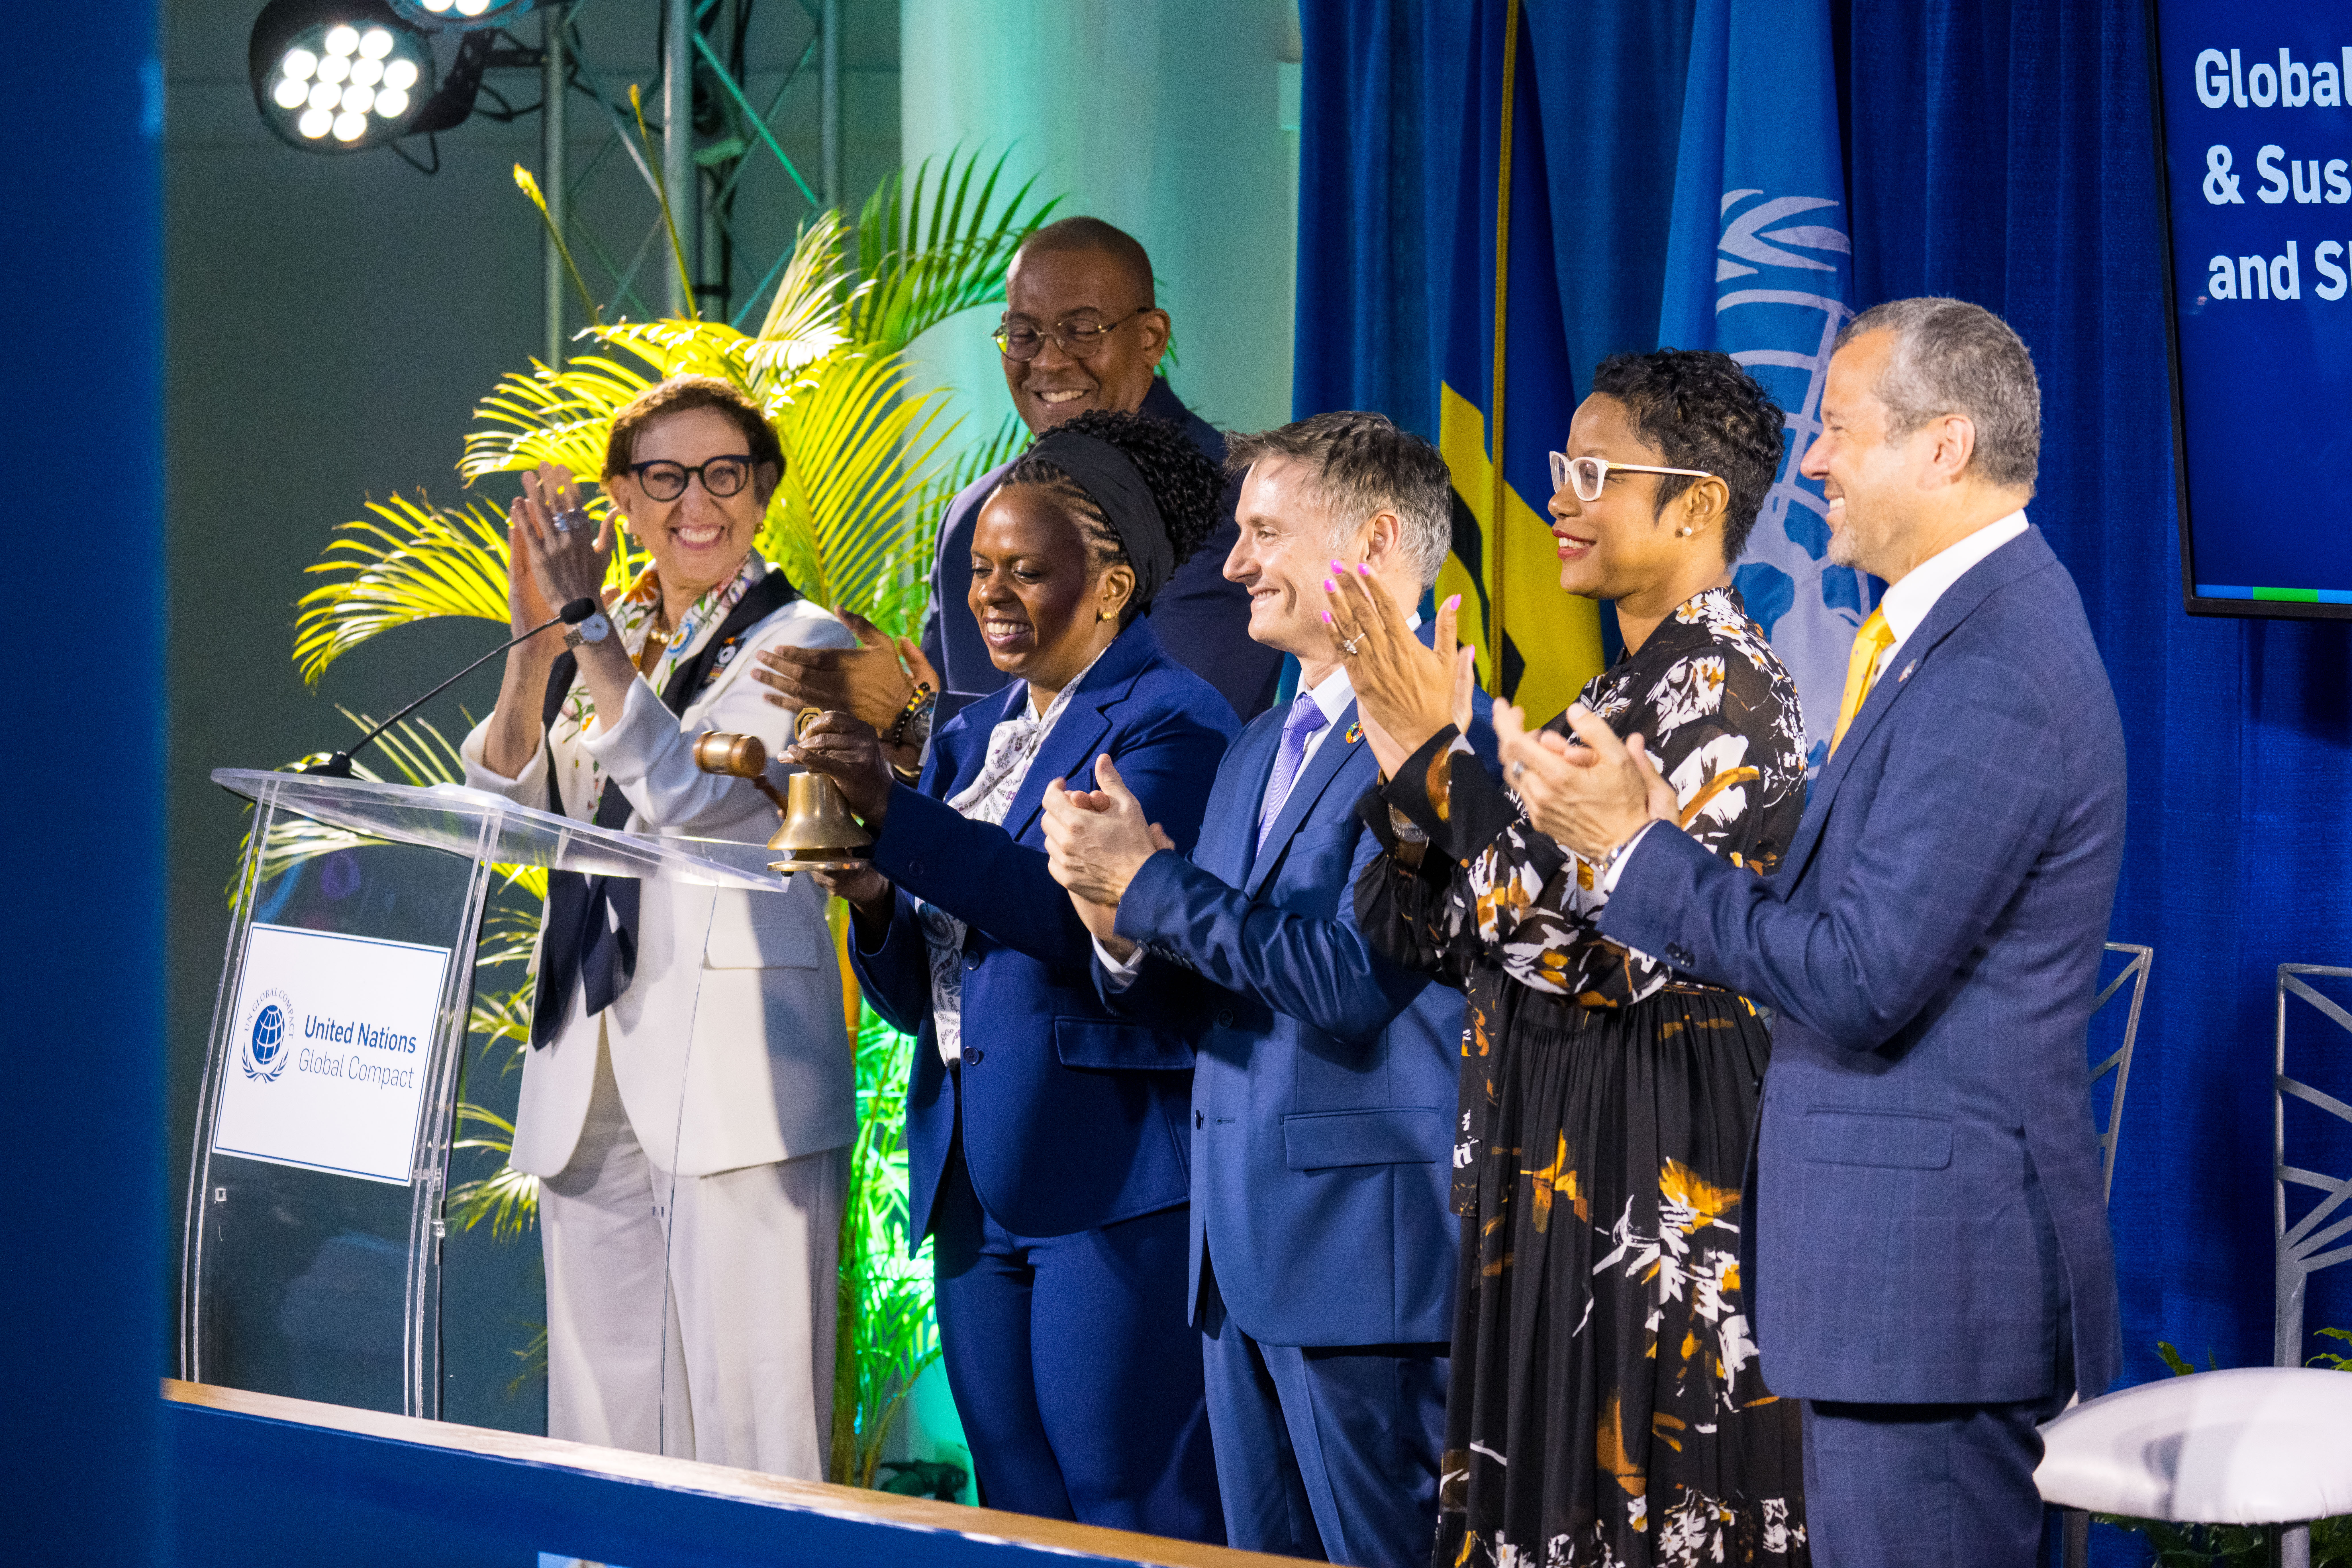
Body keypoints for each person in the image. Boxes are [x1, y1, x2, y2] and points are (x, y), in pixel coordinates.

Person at [1516, 300, 2125, 1568]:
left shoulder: (1995, 665)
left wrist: (1635, 852)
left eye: (1841, 429)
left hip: (1929, 1293)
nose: (1813, 462)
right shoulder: (1943, 636)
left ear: (1943, 446)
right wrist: (1656, 838)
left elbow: (1857, 975)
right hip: (1891, 1287)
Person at [1327, 350, 1812, 1567]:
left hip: (1652, 1148)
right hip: (1553, 1145)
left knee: (1639, 1499)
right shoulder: (1616, 689)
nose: (1559, 497)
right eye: (1561, 467)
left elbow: (1590, 950)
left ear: (1696, 506)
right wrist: (1411, 766)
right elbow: (1433, 931)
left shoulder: (1727, 692)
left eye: (1595, 474)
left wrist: (1433, 759)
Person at [1035, 412, 1494, 1568]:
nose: (1235, 564)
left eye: (1265, 533)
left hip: (1364, 1268)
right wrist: (1118, 931)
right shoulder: (1255, 743)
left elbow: (1348, 982)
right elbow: (1224, 989)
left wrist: (1150, 884)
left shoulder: (1447, 745)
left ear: (1374, 541)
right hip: (1237, 1266)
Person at [787, 409, 1238, 1540]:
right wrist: (876, 897)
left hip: (1109, 1177)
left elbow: (1082, 921)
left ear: (1113, 585)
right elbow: (924, 996)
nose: (989, 593)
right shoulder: (967, 736)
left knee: (1128, 1500)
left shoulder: (1173, 722)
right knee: (1012, 1500)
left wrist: (896, 815)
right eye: (981, 567)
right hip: (971, 1172)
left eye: (1027, 570)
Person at [458, 374, 860, 1478]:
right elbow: (510, 818)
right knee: (602, 1432)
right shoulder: (613, 633)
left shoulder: (809, 643)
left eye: (724, 474)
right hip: (589, 1060)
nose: (697, 501)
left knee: (754, 1431)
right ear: (621, 499)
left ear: (763, 491)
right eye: (665, 477)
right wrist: (532, 645)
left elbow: (694, 801)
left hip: (740, 1077)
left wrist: (588, 637)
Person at [749, 215, 1281, 748]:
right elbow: (938, 758)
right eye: (1024, 335)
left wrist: (914, 717)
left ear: (1151, 338)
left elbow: (1162, 728)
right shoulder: (972, 514)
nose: (1047, 361)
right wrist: (879, 742)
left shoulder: (1230, 501)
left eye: (1082, 331)